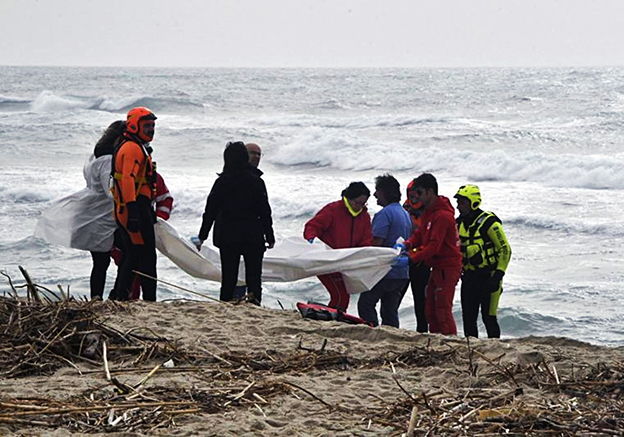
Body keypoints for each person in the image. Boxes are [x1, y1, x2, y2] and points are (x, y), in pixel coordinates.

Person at [34, 120, 124, 300]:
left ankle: (98, 298)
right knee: (120, 257)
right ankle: (112, 295)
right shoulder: (108, 160)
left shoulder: (94, 156)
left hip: (92, 211)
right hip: (103, 214)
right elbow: (109, 192)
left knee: (101, 261)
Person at [196, 141, 275, 305]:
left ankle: (225, 304)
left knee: (229, 277)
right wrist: (270, 236)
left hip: (228, 236)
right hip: (252, 235)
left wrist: (202, 236)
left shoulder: (222, 182)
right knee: (254, 277)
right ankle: (254, 305)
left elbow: (209, 211)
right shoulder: (256, 182)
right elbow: (265, 211)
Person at [396, 173, 462, 335]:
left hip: (448, 267)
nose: (416, 198)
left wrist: (410, 258)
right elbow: (420, 235)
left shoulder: (443, 216)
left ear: (429, 192)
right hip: (436, 266)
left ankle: (450, 341)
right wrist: (407, 244)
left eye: (419, 193)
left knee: (442, 308)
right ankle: (436, 339)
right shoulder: (429, 212)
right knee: (430, 309)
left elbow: (433, 246)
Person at [110, 107, 158, 301]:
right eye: (147, 126)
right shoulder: (131, 149)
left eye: (153, 126)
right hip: (133, 207)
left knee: (134, 256)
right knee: (145, 257)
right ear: (133, 125)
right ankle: (149, 300)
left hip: (134, 207)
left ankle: (120, 296)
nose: (151, 130)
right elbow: (128, 180)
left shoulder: (134, 146)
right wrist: (134, 212)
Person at [304, 182, 373, 311]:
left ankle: (333, 317)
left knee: (342, 295)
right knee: (341, 295)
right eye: (357, 203)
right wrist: (312, 240)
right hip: (326, 261)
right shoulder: (333, 210)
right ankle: (334, 319)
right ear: (349, 198)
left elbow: (366, 241)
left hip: (345, 263)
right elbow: (312, 226)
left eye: (363, 203)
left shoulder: (364, 217)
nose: (360, 207)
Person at [455, 184, 511, 338]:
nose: (459, 206)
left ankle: (496, 350)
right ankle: (471, 352)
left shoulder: (489, 223)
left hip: (489, 277)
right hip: (469, 277)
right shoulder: (458, 224)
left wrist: (498, 275)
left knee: (489, 318)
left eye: (462, 202)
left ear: (473, 202)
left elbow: (505, 249)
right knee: (468, 319)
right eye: (458, 202)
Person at [357, 174, 412, 327]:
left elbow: (377, 244)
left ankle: (371, 331)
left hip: (385, 271)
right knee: (390, 310)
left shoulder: (384, 214)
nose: (374, 195)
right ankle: (391, 334)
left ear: (384, 192)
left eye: (377, 191)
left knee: (366, 304)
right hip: (401, 272)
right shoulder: (404, 214)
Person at [127, 172, 174, 300]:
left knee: (145, 266)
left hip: (146, 228)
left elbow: (166, 200)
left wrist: (157, 220)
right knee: (128, 265)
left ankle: (147, 300)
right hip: (122, 229)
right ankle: (128, 298)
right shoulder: (122, 176)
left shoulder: (153, 177)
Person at [399, 179, 431, 333]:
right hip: (405, 260)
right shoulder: (404, 208)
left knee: (422, 302)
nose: (414, 198)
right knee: (394, 300)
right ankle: (390, 328)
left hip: (421, 262)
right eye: (412, 195)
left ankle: (422, 333)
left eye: (417, 194)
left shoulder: (430, 210)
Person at [233, 142, 264, 299]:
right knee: (231, 276)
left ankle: (254, 302)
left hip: (252, 235)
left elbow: (264, 210)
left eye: (259, 154)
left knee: (254, 278)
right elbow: (213, 207)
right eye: (253, 153)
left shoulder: (257, 179)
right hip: (234, 235)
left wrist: (269, 235)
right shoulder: (229, 177)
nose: (257, 157)